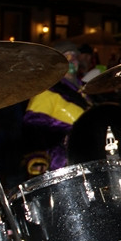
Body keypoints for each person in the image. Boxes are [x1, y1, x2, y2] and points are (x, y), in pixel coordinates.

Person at [22, 40, 91, 176]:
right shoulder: (49, 90)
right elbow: (32, 126)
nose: (72, 60)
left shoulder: (86, 90)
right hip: (61, 164)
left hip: (85, 159)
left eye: (75, 57)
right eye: (67, 57)